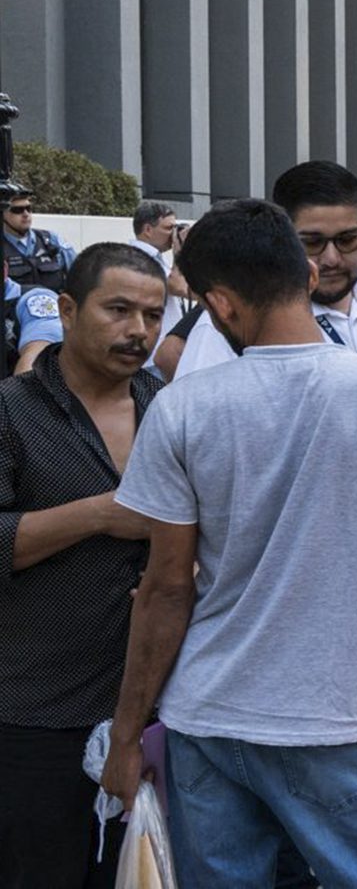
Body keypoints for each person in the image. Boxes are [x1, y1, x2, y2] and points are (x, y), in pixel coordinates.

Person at [102, 199, 357, 885]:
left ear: (220, 304)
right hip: (338, 720)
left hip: (208, 719)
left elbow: (165, 588)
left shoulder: (181, 408)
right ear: (306, 276)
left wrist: (128, 735)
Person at [0, 245, 167, 889]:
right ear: (67, 310)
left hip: (154, 712)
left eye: (153, 315)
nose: (139, 332)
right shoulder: (13, 410)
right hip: (36, 715)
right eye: (119, 310)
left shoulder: (171, 408)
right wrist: (97, 514)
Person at [128, 200, 189, 362]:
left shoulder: (156, 259)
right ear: (148, 229)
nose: (173, 234)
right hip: (154, 357)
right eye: (169, 228)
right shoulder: (139, 258)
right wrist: (179, 253)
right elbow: (178, 286)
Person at [2, 185, 77, 293]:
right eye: (18, 210)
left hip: (54, 308)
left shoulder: (52, 240)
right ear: (3, 215)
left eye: (28, 208)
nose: (26, 214)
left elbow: (79, 277)